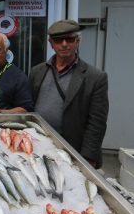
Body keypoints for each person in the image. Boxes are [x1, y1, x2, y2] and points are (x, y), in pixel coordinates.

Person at [29, 20, 109, 168]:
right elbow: (29, 107)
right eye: (59, 40)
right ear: (51, 43)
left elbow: (97, 123)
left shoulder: (95, 77)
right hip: (38, 145)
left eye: (70, 39)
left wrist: (88, 158)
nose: (64, 44)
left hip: (73, 150)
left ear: (77, 41)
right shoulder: (37, 71)